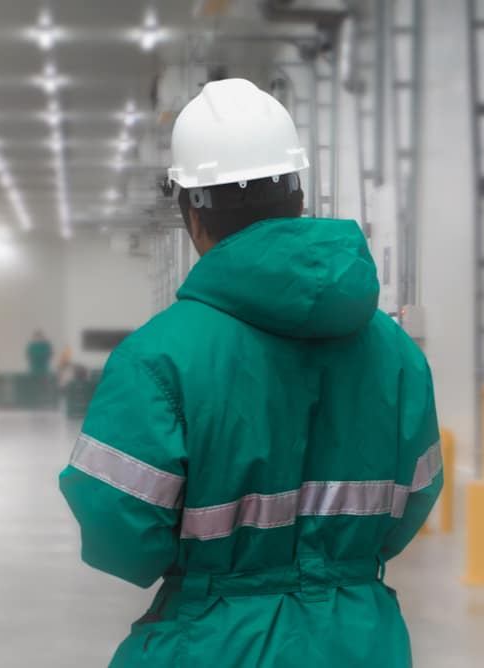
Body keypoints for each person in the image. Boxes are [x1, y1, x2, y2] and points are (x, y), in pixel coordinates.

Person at [59, 78, 441, 667]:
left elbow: (121, 537)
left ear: (192, 212)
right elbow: (412, 502)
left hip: (212, 644)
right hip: (361, 641)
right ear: (299, 197)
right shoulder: (398, 356)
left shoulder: (158, 360)